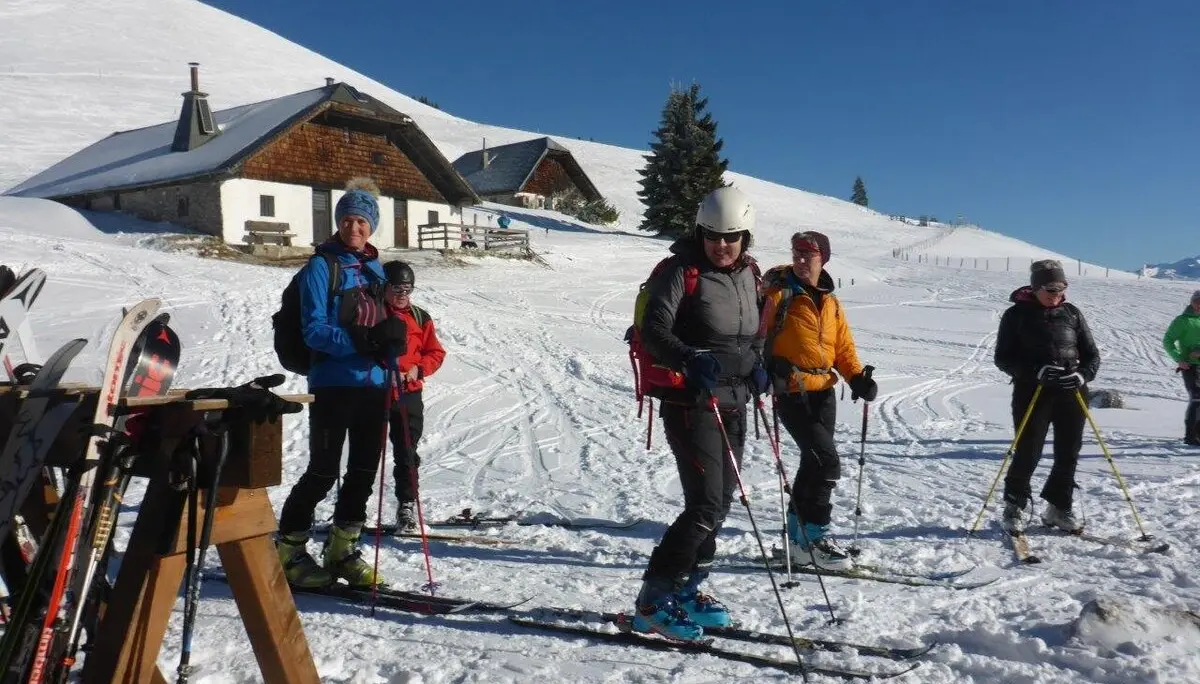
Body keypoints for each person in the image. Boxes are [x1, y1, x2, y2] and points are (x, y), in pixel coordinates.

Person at [632, 186, 764, 641]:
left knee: (721, 503)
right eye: (712, 235)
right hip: (691, 403)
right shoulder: (680, 272)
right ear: (699, 231)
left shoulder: (751, 274)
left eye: (731, 237)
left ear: (746, 237)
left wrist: (759, 365)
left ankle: (688, 589)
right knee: (705, 505)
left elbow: (755, 333)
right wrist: (689, 358)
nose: (721, 245)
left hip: (735, 401)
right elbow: (653, 332)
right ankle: (653, 600)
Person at [276, 181, 408, 588]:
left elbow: (383, 319)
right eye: (348, 219)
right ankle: (290, 551)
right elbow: (314, 331)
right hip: (334, 383)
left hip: (374, 384)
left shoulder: (374, 267)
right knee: (323, 471)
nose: (354, 227)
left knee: (364, 472)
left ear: (372, 227)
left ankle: (341, 550)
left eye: (362, 221)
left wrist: (392, 335)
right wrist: (362, 340)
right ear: (338, 222)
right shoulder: (321, 266)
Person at [759, 231, 876, 571]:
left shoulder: (831, 302)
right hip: (791, 390)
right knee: (826, 463)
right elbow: (756, 334)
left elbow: (843, 349)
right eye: (796, 252)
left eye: (808, 254)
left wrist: (857, 378)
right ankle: (816, 537)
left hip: (824, 390)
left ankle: (796, 540)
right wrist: (768, 365)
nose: (800, 259)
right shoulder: (778, 293)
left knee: (813, 463)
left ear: (823, 258)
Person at [994, 259, 1099, 534]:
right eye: (1051, 290)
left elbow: (1092, 356)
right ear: (1036, 287)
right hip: (1033, 393)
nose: (1057, 296)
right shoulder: (1015, 315)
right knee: (1028, 451)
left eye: (1062, 289)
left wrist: (1082, 375)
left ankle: (1058, 507)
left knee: (1069, 452)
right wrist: (1035, 372)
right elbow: (1003, 358)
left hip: (1072, 393)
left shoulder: (1072, 313)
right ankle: (1014, 506)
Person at [380, 260, 447, 531]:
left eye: (408, 289)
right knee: (368, 452)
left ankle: (407, 504)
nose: (402, 294)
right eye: (397, 288)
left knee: (407, 451)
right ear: (384, 287)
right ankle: (353, 510)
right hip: (376, 392)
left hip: (408, 394)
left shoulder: (420, 317)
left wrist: (419, 369)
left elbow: (435, 352)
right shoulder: (372, 314)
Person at [1162, 290, 1200, 446]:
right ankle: (1191, 437)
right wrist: (1180, 359)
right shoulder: (1182, 321)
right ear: (1191, 302)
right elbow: (1168, 341)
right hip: (1190, 366)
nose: (1199, 304)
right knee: (1197, 398)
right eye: (1196, 301)